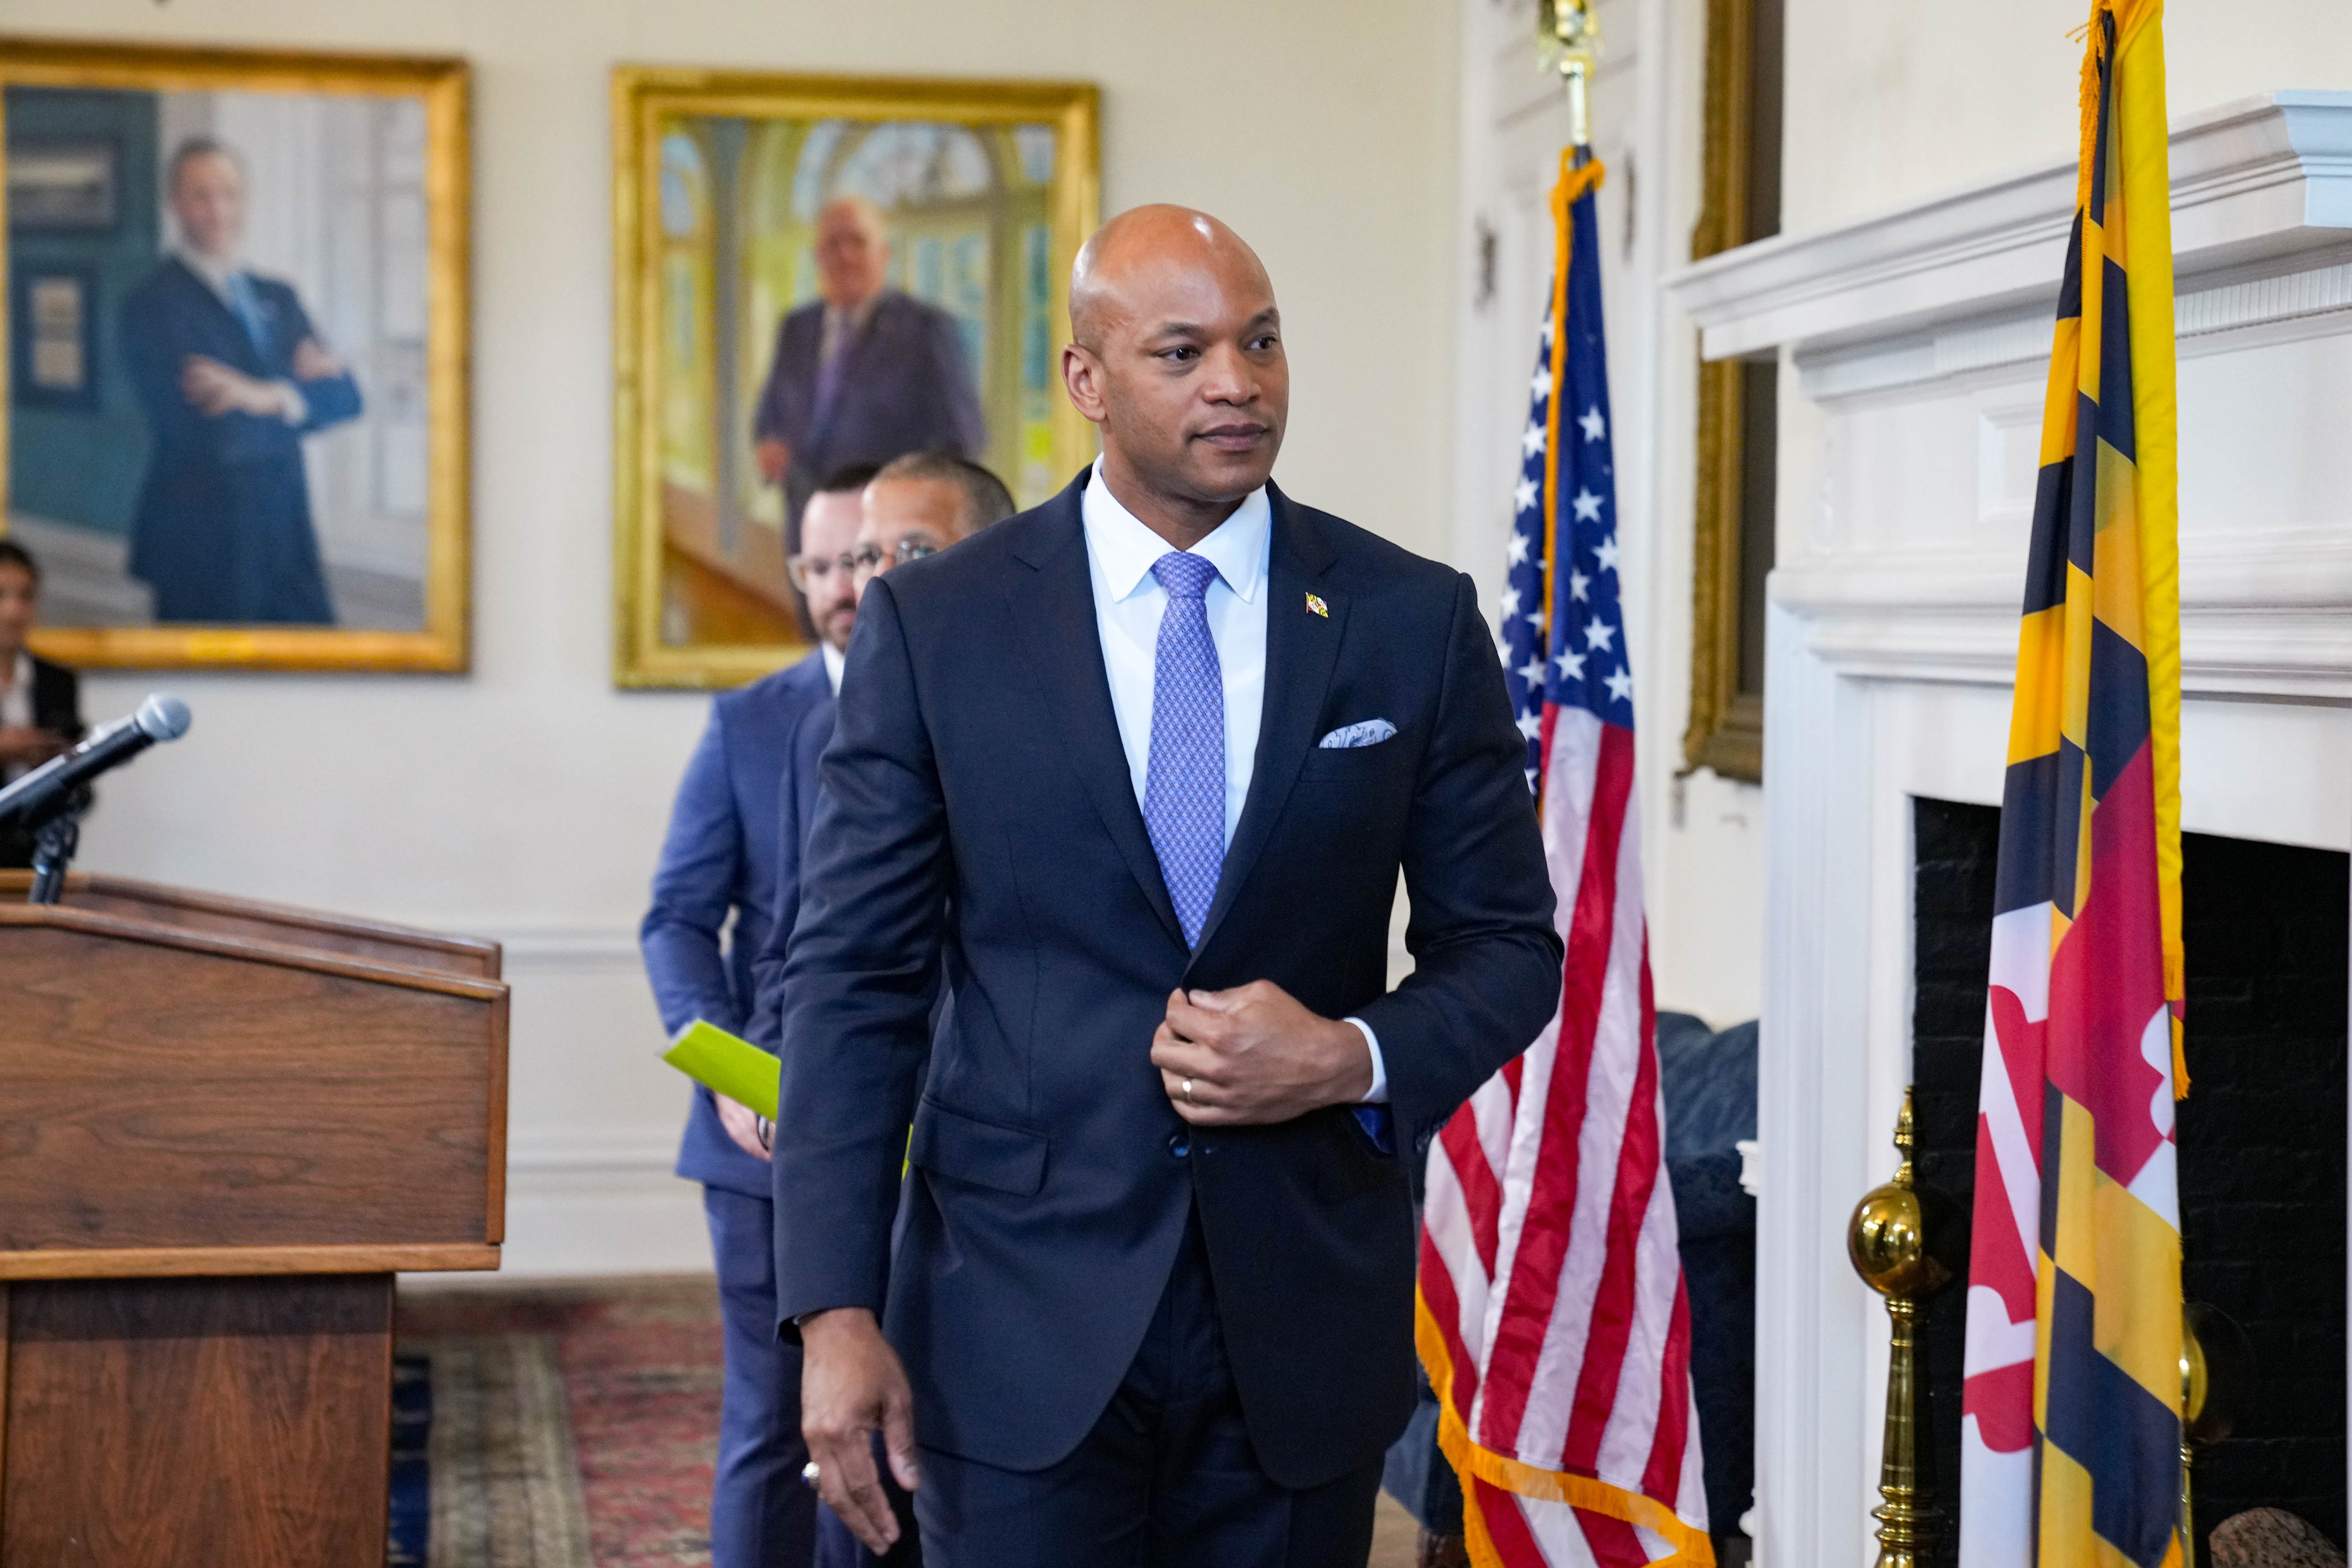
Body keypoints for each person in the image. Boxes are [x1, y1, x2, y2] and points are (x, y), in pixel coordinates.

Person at [772, 206, 1562, 1565]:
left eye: (1260, 342)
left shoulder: (1407, 619)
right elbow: (856, 980)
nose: (1237, 383)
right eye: (1183, 351)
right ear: (1087, 383)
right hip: (1014, 1327)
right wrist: (834, 1308)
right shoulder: (939, 626)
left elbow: (1507, 944)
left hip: (1304, 1324)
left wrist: (1349, 1053)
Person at [746, 449, 1015, 1568]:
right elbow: (824, 960)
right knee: (857, 1476)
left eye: (912, 553)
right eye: (864, 557)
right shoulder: (818, 729)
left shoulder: (1062, 707)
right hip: (863, 1146)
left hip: (1000, 1180)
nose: (877, 582)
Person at [639, 462, 879, 1568]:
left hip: (922, 1142)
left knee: (905, 1423)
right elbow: (677, 919)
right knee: (770, 1423)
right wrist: (725, 1071)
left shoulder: (981, 711)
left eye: (862, 559)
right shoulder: (748, 724)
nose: (841, 585)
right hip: (760, 1138)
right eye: (819, 564)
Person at [119, 137, 364, 625]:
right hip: (201, 540)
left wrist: (260, 396)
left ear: (246, 200)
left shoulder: (279, 296)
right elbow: (218, 438)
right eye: (201, 196)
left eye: (230, 194)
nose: (218, 210)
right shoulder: (151, 306)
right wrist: (299, 397)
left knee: (310, 686)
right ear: (175, 203)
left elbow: (347, 397)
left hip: (287, 534)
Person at [751, 197, 988, 532]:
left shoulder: (927, 331)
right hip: (807, 537)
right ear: (818, 256)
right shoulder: (796, 328)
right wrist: (770, 446)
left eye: (858, 242)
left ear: (884, 253)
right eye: (833, 244)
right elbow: (769, 416)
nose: (844, 254)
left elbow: (963, 443)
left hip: (888, 541)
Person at [0, 541, 83, 869]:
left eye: (26, 596)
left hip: (36, 858)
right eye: (1, 595)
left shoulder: (58, 681)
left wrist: (68, 765)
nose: (13, 611)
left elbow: (82, 791)